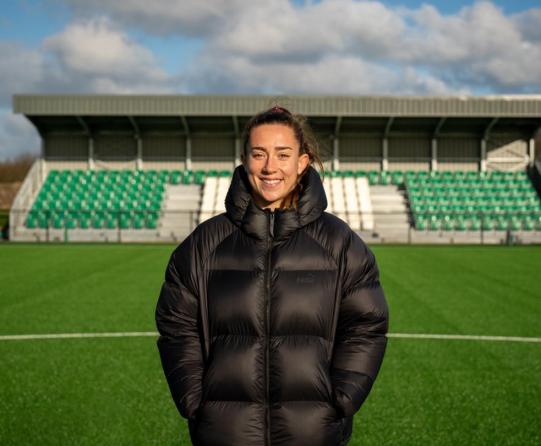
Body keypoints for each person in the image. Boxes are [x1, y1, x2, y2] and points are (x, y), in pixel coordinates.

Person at [155, 106, 389, 446]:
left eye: (283, 154)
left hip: (312, 432)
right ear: (244, 160)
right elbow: (177, 325)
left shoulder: (341, 243)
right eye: (259, 154)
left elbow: (367, 323)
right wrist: (194, 398)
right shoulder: (204, 244)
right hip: (226, 433)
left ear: (302, 162)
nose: (269, 167)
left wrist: (342, 397)